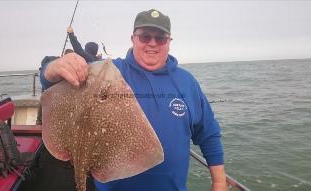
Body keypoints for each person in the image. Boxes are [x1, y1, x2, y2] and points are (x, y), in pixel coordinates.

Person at [40, 9, 227, 191]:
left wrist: (219, 182)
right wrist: (52, 68)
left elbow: (208, 132)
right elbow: (52, 83)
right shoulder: (107, 73)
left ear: (169, 41)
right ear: (133, 39)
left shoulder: (187, 82)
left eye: (160, 38)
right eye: (145, 36)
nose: (152, 43)